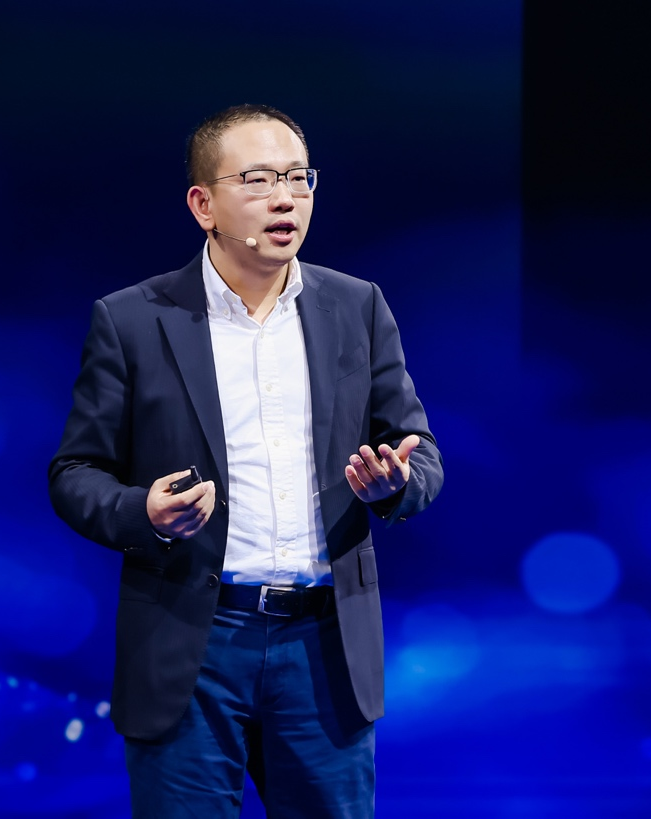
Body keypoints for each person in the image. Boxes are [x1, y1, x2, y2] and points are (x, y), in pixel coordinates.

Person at [48, 103, 443, 818]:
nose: (285, 198)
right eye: (258, 180)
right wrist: (143, 511)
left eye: (298, 178)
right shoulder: (132, 319)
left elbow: (421, 458)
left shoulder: (357, 307)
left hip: (324, 645)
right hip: (192, 643)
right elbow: (75, 474)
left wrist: (394, 484)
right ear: (204, 205)